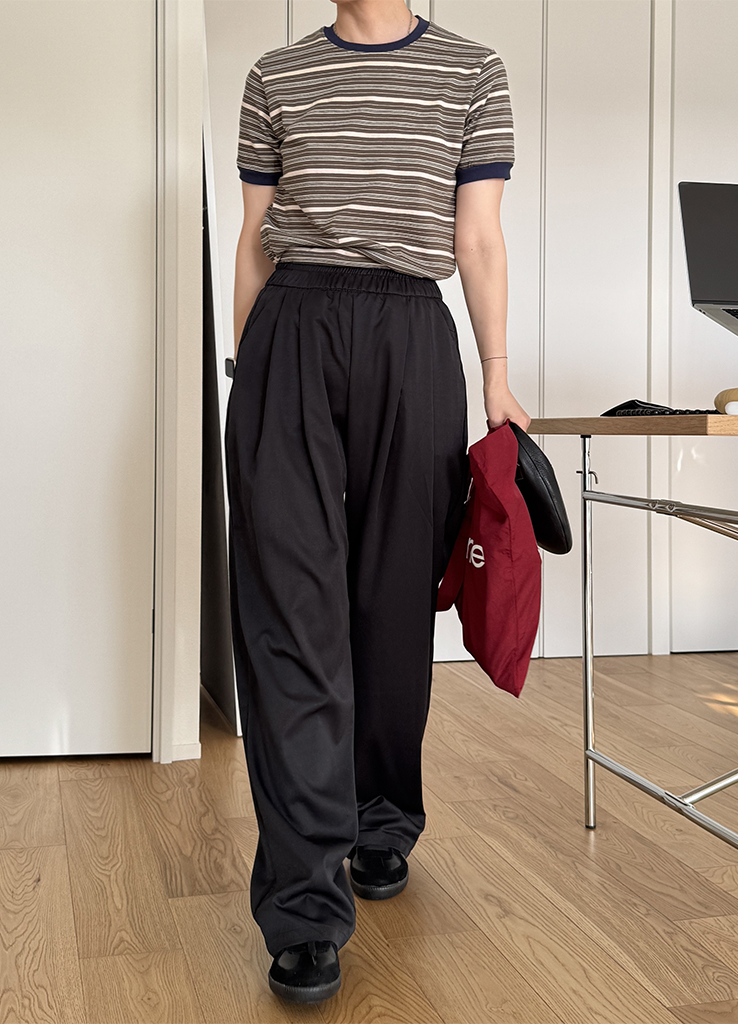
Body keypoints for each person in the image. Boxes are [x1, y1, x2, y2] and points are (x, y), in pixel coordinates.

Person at [225, 0, 530, 1004]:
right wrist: (247, 368)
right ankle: (302, 905)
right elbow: (255, 235)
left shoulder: (472, 71)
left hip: (412, 336)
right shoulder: (276, 76)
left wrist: (495, 375)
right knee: (289, 613)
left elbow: (476, 236)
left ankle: (380, 816)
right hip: (291, 329)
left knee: (393, 605)